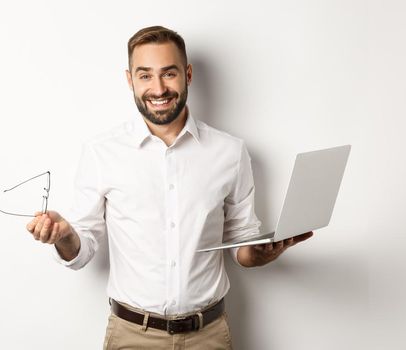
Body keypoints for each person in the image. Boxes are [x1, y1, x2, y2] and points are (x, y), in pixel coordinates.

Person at [24, 25, 313, 349]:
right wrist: (65, 236)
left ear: (187, 74)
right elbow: (82, 249)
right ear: (130, 79)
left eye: (169, 73)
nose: (158, 88)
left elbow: (241, 244)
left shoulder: (230, 153)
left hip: (209, 336)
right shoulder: (101, 152)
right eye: (145, 75)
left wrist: (261, 253)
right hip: (131, 336)